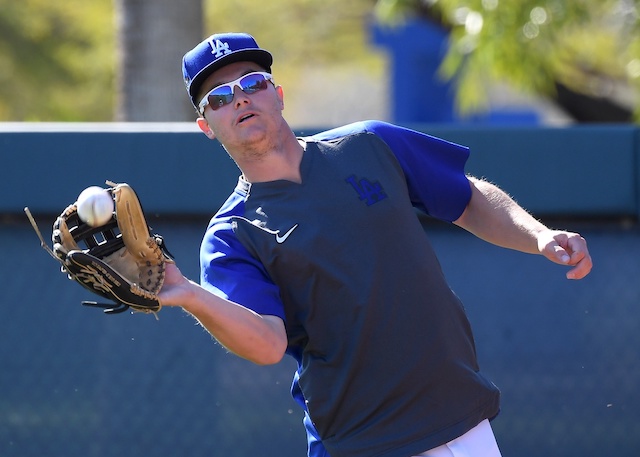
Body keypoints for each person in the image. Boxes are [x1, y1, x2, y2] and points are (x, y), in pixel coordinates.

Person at [159, 32, 593, 457]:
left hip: (460, 411)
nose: (239, 98)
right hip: (365, 438)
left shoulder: (369, 145)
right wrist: (191, 295)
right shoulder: (231, 235)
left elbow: (468, 199)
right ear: (206, 127)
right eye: (219, 96)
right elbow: (267, 344)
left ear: (278, 94)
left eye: (253, 83)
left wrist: (538, 235)